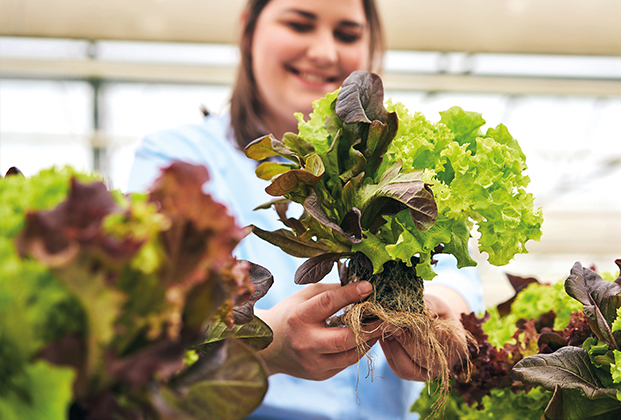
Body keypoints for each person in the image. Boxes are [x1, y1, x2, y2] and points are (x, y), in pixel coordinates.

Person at [126, 0, 485, 418]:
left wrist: (440, 313)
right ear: (249, 29)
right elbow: (154, 320)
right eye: (300, 24)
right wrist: (267, 344)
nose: (325, 53)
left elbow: (453, 272)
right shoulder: (180, 158)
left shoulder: (400, 166)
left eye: (347, 35)